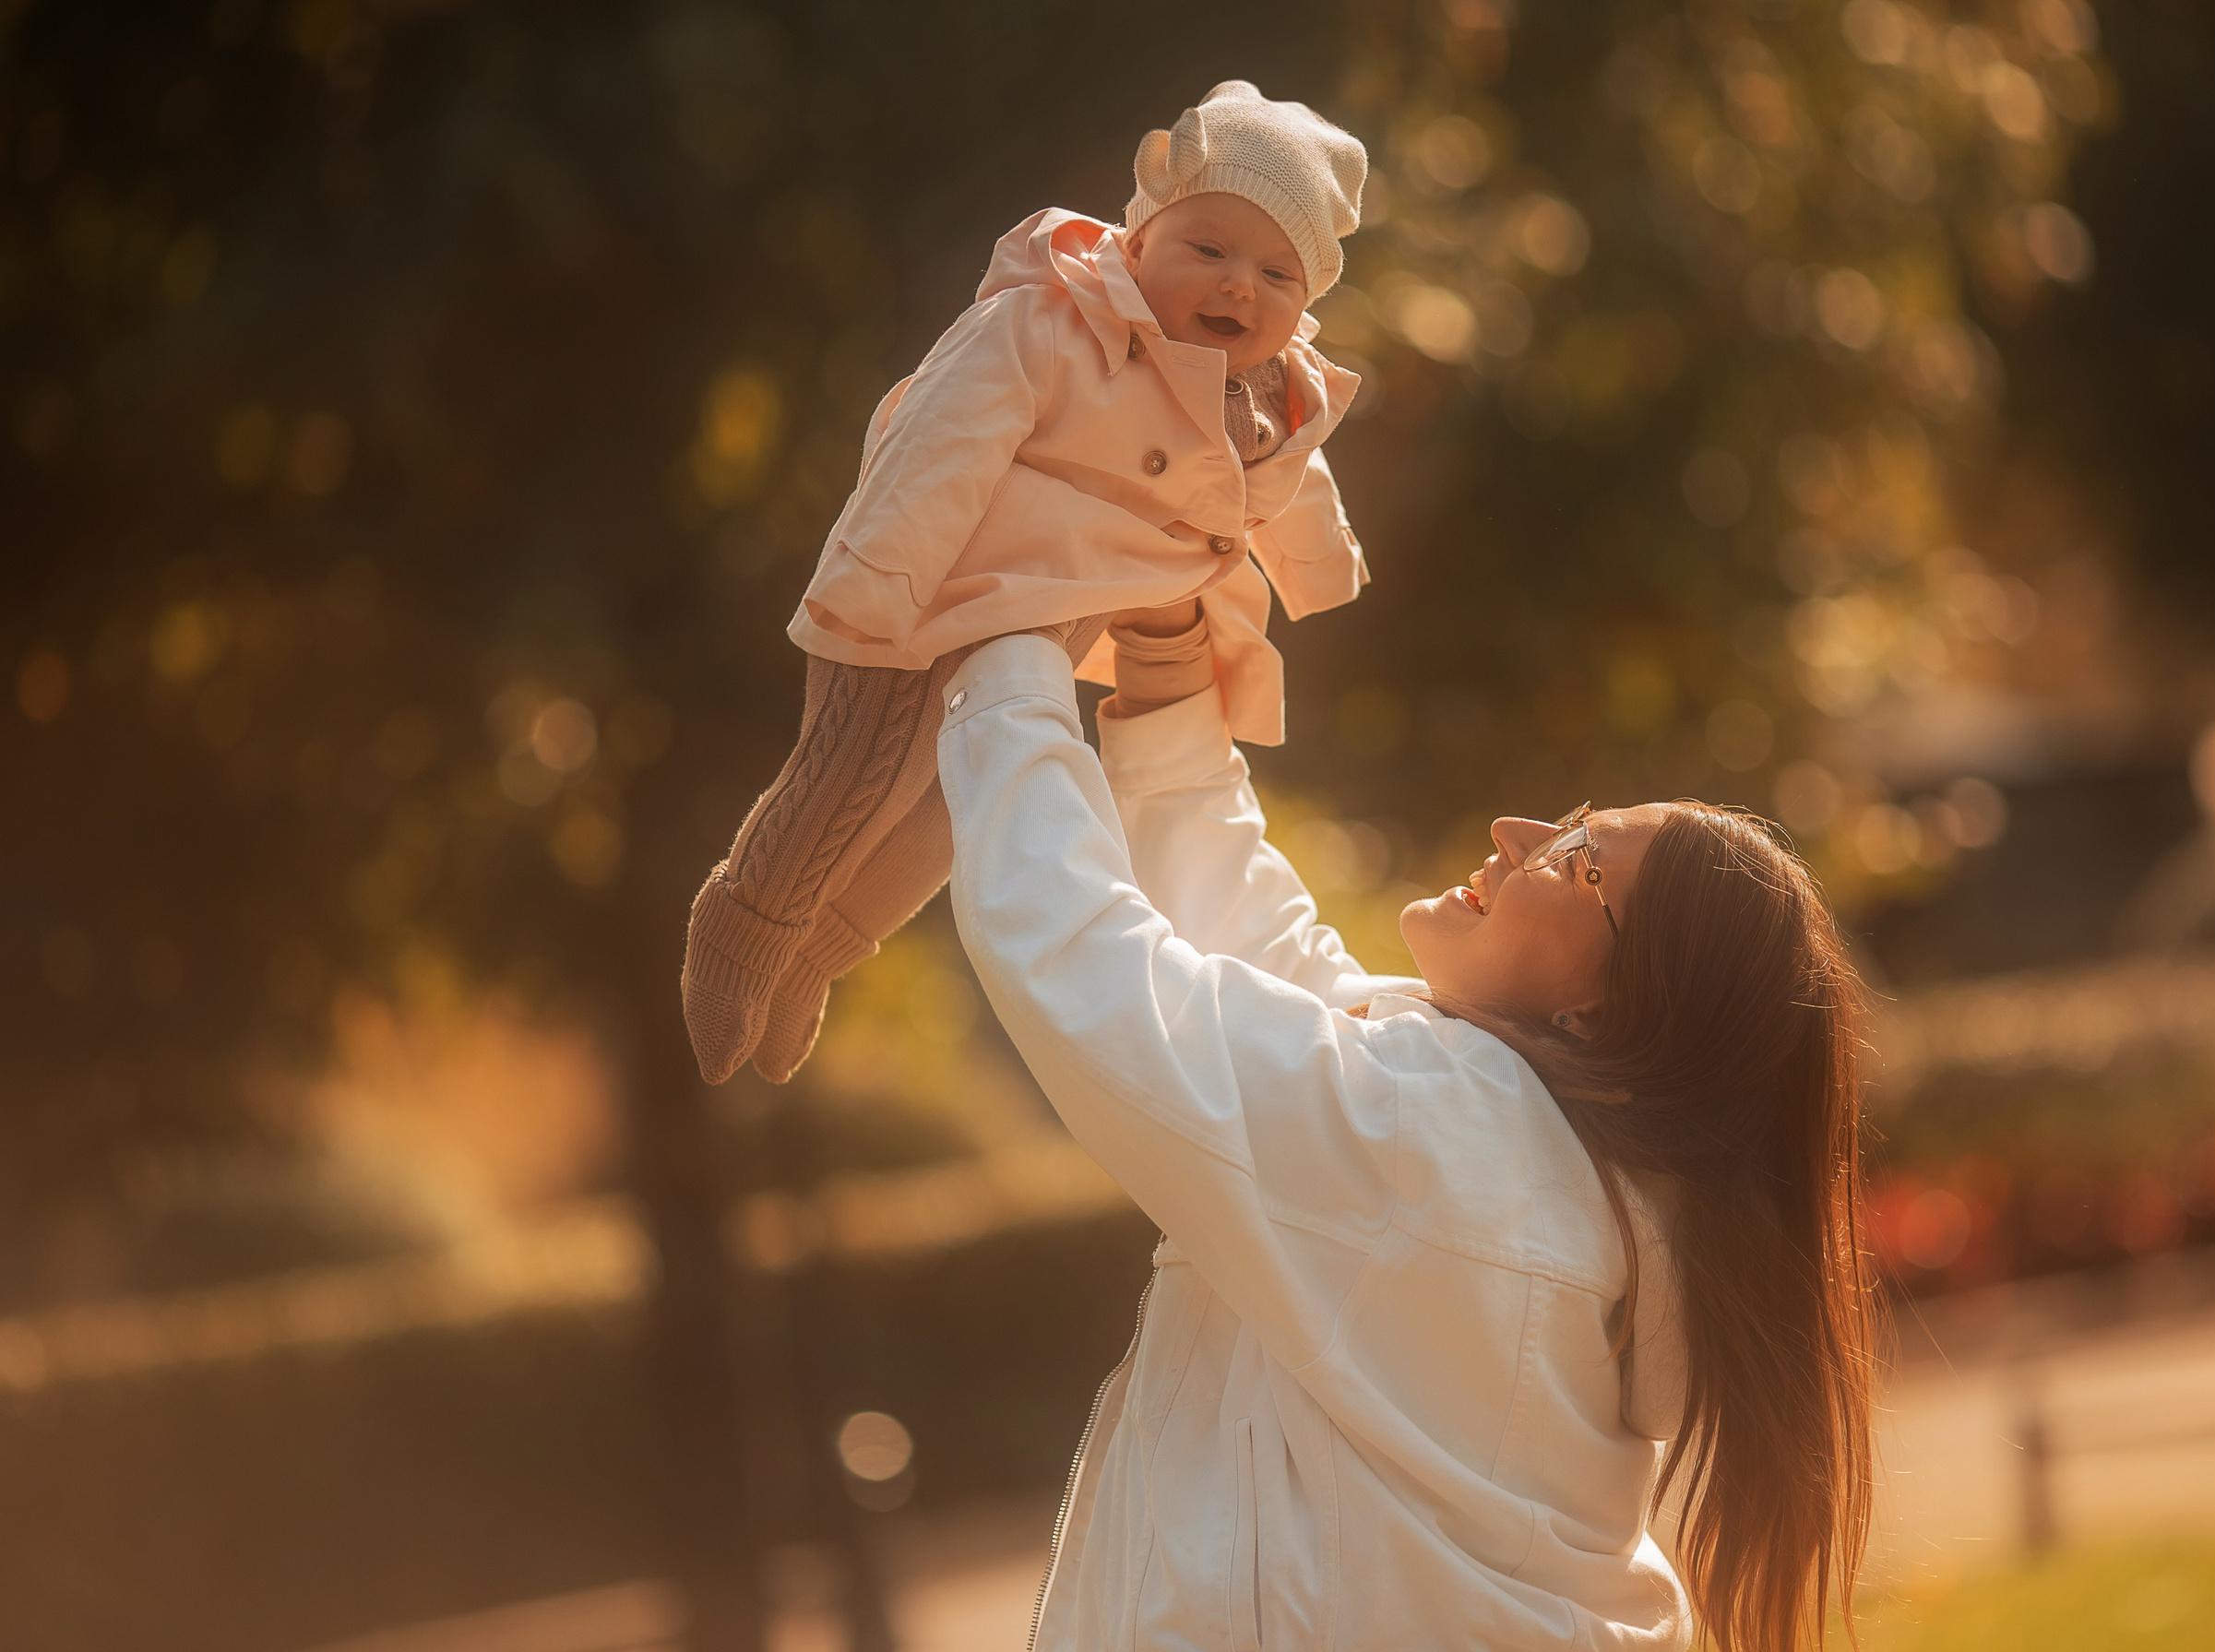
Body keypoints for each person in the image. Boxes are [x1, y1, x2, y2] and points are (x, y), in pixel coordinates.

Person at [935, 606, 1880, 1652]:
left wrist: (1003, 640)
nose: (1515, 834)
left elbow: (1078, 960)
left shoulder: (1446, 1139)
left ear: (1608, 1011)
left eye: (1579, 863)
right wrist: (1163, 674)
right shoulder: (1529, 1157)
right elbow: (1267, 966)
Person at [678, 80, 1371, 1088]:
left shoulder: (1266, 396)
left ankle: (812, 956)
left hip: (1039, 627)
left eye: (1277, 274)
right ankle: (741, 928)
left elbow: (1289, 481)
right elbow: (936, 451)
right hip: (931, 584)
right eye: (1208, 249)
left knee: (954, 815)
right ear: (1140, 240)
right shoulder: (1050, 323)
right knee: (852, 774)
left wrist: (1322, 571)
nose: (1239, 288)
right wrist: (873, 592)